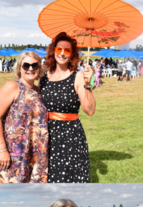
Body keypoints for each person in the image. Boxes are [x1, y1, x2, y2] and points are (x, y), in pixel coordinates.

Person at [41, 32, 95, 183]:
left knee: (68, 177)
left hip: (70, 136)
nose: (63, 53)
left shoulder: (77, 76)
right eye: (59, 49)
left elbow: (89, 110)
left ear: (72, 54)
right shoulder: (44, 78)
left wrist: (88, 84)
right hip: (46, 135)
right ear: (53, 51)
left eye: (67, 50)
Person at [0, 50, 48, 183]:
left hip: (37, 155)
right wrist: (2, 148)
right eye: (26, 65)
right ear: (19, 67)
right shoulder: (12, 86)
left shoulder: (39, 91)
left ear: (40, 68)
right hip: (14, 153)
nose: (31, 69)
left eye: (35, 65)